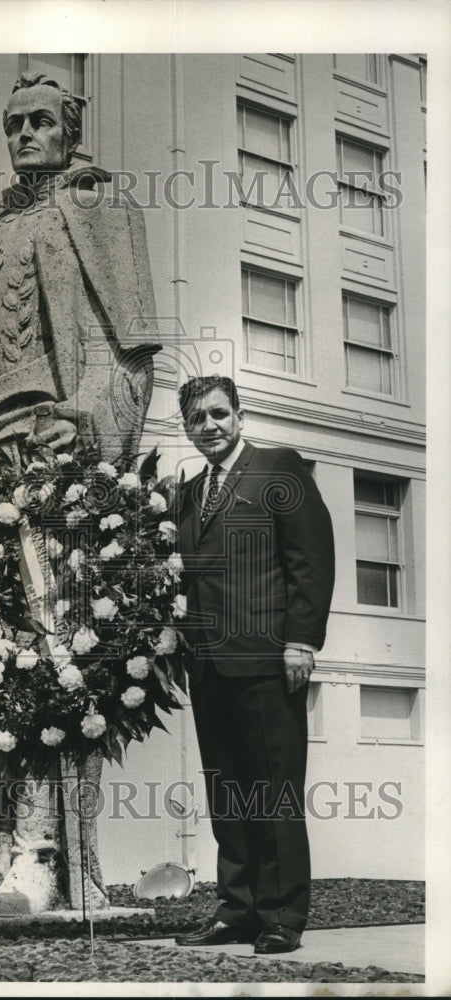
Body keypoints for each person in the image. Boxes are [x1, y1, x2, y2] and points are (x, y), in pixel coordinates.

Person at [0, 71, 161, 913]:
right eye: (13, 123)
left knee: (49, 653)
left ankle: (40, 856)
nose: (23, 134)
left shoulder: (92, 206)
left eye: (41, 121)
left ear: (71, 129)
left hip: (45, 454)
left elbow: (124, 348)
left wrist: (83, 423)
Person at [175, 376, 335, 954]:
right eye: (198, 418)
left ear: (239, 416)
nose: (210, 426)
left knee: (274, 791)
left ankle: (282, 915)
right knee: (227, 791)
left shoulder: (279, 468)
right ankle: (236, 909)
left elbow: (310, 559)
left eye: (219, 414)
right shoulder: (189, 493)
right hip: (210, 665)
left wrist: (302, 641)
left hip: (269, 660)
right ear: (187, 428)